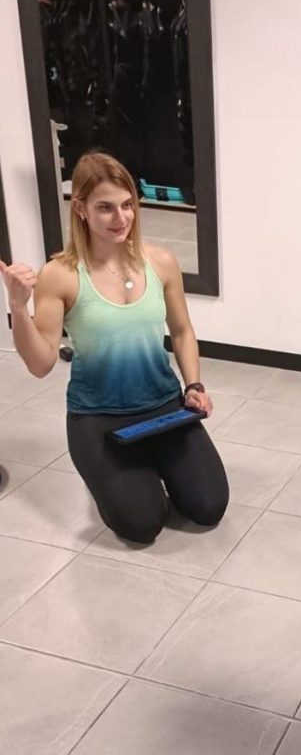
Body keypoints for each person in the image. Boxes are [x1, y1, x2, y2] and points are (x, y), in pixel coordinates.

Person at [0, 151, 228, 544]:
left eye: (127, 205)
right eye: (105, 207)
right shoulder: (60, 275)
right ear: (81, 208)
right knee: (142, 524)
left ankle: (152, 458)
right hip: (99, 417)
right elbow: (40, 364)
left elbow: (182, 331)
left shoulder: (161, 262)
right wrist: (19, 308)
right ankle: (126, 470)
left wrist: (194, 386)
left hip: (164, 406)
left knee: (209, 506)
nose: (120, 218)